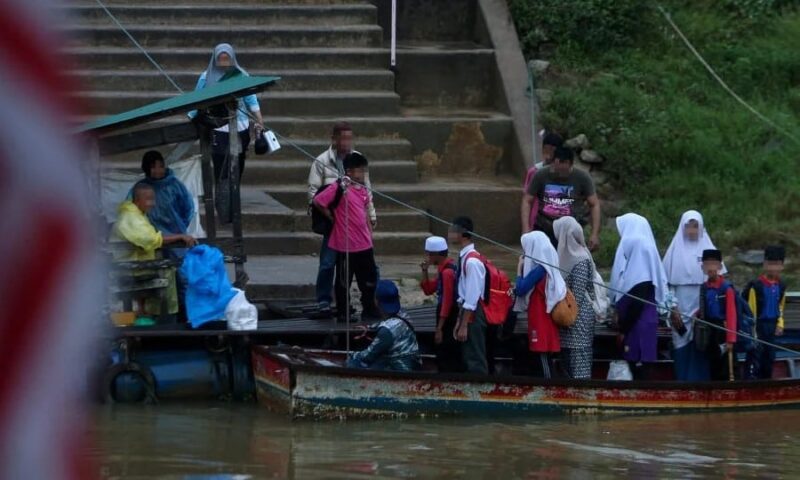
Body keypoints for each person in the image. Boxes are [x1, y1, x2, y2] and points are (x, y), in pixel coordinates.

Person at [308, 122, 377, 318]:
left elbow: (367, 193)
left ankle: (370, 302)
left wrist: (371, 217)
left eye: (349, 138)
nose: (346, 142)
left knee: (368, 267)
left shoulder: (358, 160)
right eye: (343, 138)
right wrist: (330, 215)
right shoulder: (321, 161)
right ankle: (324, 301)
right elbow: (314, 194)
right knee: (329, 263)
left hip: (357, 226)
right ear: (335, 139)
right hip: (335, 223)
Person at [110, 183, 197, 316]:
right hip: (130, 270)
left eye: (153, 199)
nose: (152, 203)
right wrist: (180, 236)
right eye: (148, 199)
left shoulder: (137, 214)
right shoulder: (130, 217)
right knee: (168, 268)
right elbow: (150, 239)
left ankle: (151, 313)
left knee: (171, 268)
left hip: (135, 266)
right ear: (137, 200)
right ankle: (163, 316)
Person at [189, 43, 264, 183]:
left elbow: (251, 100)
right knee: (220, 164)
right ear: (215, 60)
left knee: (238, 162)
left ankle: (234, 193)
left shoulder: (241, 76)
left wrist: (259, 120)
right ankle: (221, 197)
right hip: (218, 127)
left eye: (226, 59)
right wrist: (193, 119)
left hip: (240, 126)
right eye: (220, 59)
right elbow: (195, 101)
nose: (223, 63)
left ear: (232, 59)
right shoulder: (206, 78)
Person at [662, 210, 721, 380]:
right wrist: (673, 308)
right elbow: (667, 285)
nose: (692, 230)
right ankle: (682, 383)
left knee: (702, 344)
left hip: (702, 310)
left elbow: (716, 282)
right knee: (680, 344)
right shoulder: (674, 251)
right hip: (680, 310)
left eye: (696, 226)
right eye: (689, 226)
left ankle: (701, 385)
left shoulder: (708, 249)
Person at [611, 214, 668, 380]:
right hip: (636, 326)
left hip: (637, 327)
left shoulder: (641, 274)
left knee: (639, 369)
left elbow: (636, 305)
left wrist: (623, 330)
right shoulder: (633, 271)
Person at [522, 147, 601, 250]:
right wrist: (526, 229)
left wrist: (594, 234)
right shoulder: (541, 175)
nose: (559, 174)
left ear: (571, 164)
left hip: (571, 230)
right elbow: (527, 200)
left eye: (563, 171)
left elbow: (594, 204)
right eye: (556, 169)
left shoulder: (582, 178)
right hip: (545, 227)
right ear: (553, 163)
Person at [514, 231, 566, 378]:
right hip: (546, 316)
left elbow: (521, 288)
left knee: (542, 354)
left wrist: (519, 269)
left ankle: (548, 388)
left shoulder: (540, 269)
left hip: (540, 317)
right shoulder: (550, 266)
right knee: (545, 356)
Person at [553, 216, 599, 379]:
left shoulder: (580, 259)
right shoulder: (564, 258)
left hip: (578, 321)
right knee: (566, 365)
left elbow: (577, 295)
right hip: (567, 319)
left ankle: (583, 399)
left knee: (579, 365)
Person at [347, 280, 422, 371]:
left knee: (353, 363)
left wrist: (352, 355)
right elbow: (387, 323)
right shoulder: (403, 315)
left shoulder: (386, 331)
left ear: (376, 301)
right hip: (414, 362)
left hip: (400, 368)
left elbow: (367, 356)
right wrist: (370, 328)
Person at [449, 216, 489, 375]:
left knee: (475, 356)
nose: (450, 234)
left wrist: (464, 324)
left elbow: (472, 298)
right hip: (466, 311)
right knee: (468, 354)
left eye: (452, 231)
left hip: (473, 313)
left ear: (462, 234)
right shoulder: (465, 257)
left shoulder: (472, 262)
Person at [420, 236, 463, 373]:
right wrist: (424, 271)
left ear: (436, 254)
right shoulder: (443, 269)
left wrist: (439, 328)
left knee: (446, 351)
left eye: (429, 254)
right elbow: (428, 290)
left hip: (448, 316)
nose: (427, 257)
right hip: (445, 313)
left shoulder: (447, 273)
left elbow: (447, 302)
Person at [744, 246, 788, 380]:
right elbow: (751, 310)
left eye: (777, 264)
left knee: (770, 357)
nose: (773, 268)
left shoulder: (781, 285)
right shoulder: (756, 286)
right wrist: (753, 331)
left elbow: (780, 306)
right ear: (764, 264)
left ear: (782, 266)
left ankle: (767, 381)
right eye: (770, 264)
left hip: (772, 324)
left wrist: (780, 324)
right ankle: (751, 382)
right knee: (755, 355)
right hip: (759, 326)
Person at [697, 249, 738, 381]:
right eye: (707, 264)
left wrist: (731, 339)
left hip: (723, 329)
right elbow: (703, 307)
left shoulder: (727, 289)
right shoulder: (704, 288)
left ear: (720, 266)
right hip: (710, 330)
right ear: (703, 267)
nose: (710, 268)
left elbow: (731, 314)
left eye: (713, 264)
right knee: (712, 363)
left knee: (726, 366)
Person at [521, 132, 563, 233]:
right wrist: (526, 227)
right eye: (546, 149)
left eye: (552, 150)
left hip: (557, 223)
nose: (548, 154)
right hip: (536, 222)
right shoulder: (534, 171)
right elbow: (527, 200)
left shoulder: (564, 173)